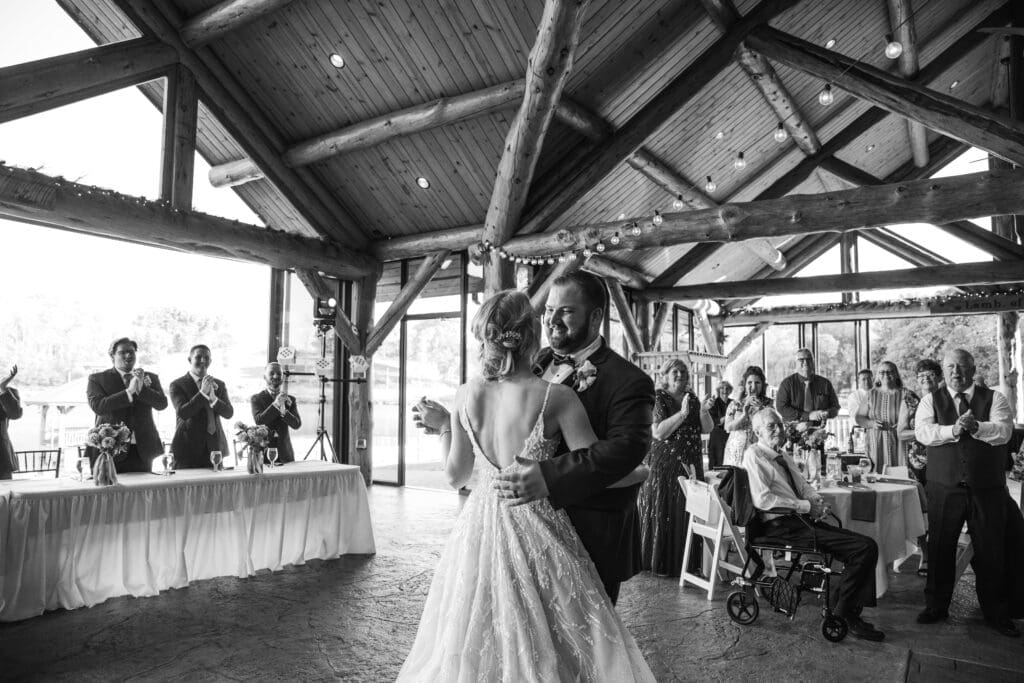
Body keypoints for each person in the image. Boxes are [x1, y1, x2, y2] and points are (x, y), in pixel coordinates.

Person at [399, 289, 654, 681]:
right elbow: (598, 469)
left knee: (474, 631)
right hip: (537, 527)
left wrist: (444, 430)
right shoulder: (557, 397)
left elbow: (456, 477)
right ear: (531, 334)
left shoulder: (465, 395)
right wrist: (640, 472)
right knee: (552, 634)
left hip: (478, 529)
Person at [743, 407, 885, 641]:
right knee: (864, 548)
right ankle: (844, 614)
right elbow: (763, 500)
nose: (778, 429)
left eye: (779, 424)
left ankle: (843, 608)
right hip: (781, 526)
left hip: (799, 522)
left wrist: (816, 501)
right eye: (771, 426)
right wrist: (807, 507)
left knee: (863, 546)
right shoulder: (754, 455)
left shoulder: (782, 454)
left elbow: (803, 485)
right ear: (757, 431)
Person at [914, 348, 1024, 637]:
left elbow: (1004, 431)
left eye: (961, 367)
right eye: (950, 367)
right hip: (944, 488)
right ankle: (936, 606)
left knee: (991, 550)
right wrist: (953, 429)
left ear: (973, 369)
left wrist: (977, 427)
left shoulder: (995, 398)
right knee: (940, 548)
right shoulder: (930, 400)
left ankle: (996, 613)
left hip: (987, 489)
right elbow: (923, 433)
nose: (955, 372)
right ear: (944, 370)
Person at [639, 359, 713, 577]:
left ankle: (688, 562)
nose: (680, 375)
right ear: (665, 375)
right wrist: (682, 413)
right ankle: (662, 564)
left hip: (691, 462)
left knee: (689, 509)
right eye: (675, 371)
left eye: (683, 371)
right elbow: (659, 433)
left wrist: (704, 411)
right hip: (666, 463)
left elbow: (706, 429)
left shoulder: (693, 397)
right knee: (667, 509)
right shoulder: (658, 397)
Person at [86, 338, 168, 473]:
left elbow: (162, 404)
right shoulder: (97, 379)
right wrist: (129, 392)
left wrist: (142, 389)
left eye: (131, 352)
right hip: (110, 449)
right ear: (112, 356)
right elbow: (98, 406)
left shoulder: (150, 377)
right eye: (123, 352)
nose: (128, 355)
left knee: (143, 492)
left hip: (143, 450)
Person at [898, 358, 941, 576]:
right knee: (922, 511)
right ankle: (925, 554)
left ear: (939, 377)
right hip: (917, 463)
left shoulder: (947, 399)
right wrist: (925, 431)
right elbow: (901, 433)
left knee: (941, 511)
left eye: (930, 374)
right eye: (921, 375)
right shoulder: (910, 401)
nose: (925, 378)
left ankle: (940, 554)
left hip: (943, 462)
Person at [169, 344, 234, 469]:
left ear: (210, 361)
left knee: (216, 488)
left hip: (214, 447)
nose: (203, 360)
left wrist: (214, 399)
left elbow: (229, 413)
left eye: (206, 357)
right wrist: (203, 393)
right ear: (189, 359)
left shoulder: (219, 384)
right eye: (198, 357)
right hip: (187, 449)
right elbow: (183, 412)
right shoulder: (177, 385)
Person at [855, 361, 915, 473]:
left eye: (890, 372)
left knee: (901, 478)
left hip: (901, 445)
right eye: (882, 372)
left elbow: (919, 419)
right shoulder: (871, 394)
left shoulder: (907, 394)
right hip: (877, 445)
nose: (886, 375)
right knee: (878, 479)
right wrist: (872, 424)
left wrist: (905, 424)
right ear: (877, 375)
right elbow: (859, 417)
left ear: (896, 374)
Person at [251, 362, 301, 464]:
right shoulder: (256, 398)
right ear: (264, 377)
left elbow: (296, 424)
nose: (275, 376)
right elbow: (259, 420)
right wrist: (276, 404)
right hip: (263, 454)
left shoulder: (291, 399)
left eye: (279, 373)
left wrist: (284, 411)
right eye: (272, 373)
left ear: (282, 377)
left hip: (285, 454)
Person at [723, 365, 771, 467]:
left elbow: (772, 427)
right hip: (735, 452)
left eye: (757, 382)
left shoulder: (769, 404)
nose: (753, 386)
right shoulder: (735, 404)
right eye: (749, 383)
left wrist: (760, 410)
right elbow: (728, 427)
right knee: (735, 481)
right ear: (745, 385)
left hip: (759, 452)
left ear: (762, 385)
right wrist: (744, 415)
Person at [0, 364, 23, 480]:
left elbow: (16, 414)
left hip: (2, 459)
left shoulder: (8, 391)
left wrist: (2, 389)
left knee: (6, 494)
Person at [706, 381, 733, 469]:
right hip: (716, 437)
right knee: (716, 464)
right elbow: (711, 421)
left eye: (727, 388)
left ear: (730, 391)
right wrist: (723, 419)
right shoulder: (713, 402)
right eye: (722, 388)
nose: (725, 390)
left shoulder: (733, 402)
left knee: (729, 463)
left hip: (729, 436)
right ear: (718, 390)